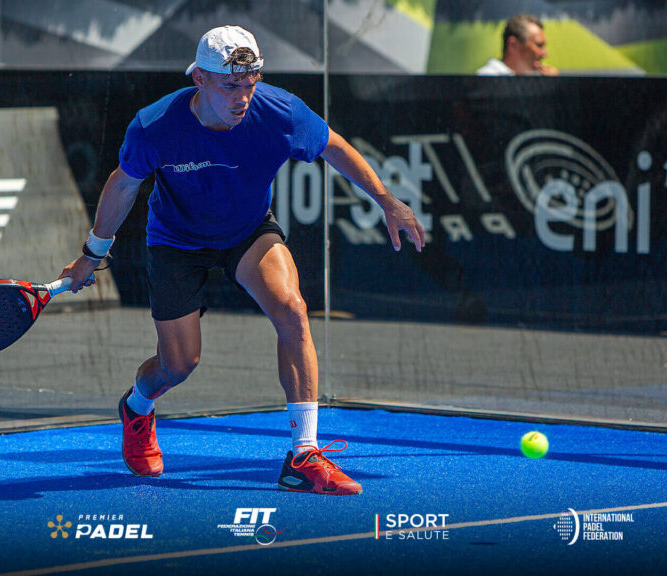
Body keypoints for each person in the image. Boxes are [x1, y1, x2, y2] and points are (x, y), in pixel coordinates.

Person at [60, 25, 425, 496]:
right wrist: (92, 254)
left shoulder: (280, 112)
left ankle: (303, 455)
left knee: (292, 309)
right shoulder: (155, 126)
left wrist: (386, 200)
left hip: (247, 232)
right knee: (178, 365)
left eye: (250, 83)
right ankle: (137, 407)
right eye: (231, 85)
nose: (243, 97)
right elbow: (123, 185)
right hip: (176, 242)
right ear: (200, 79)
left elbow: (333, 146)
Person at [477, 13, 558, 76]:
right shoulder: (485, 79)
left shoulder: (533, 79)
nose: (545, 54)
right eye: (539, 45)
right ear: (513, 45)